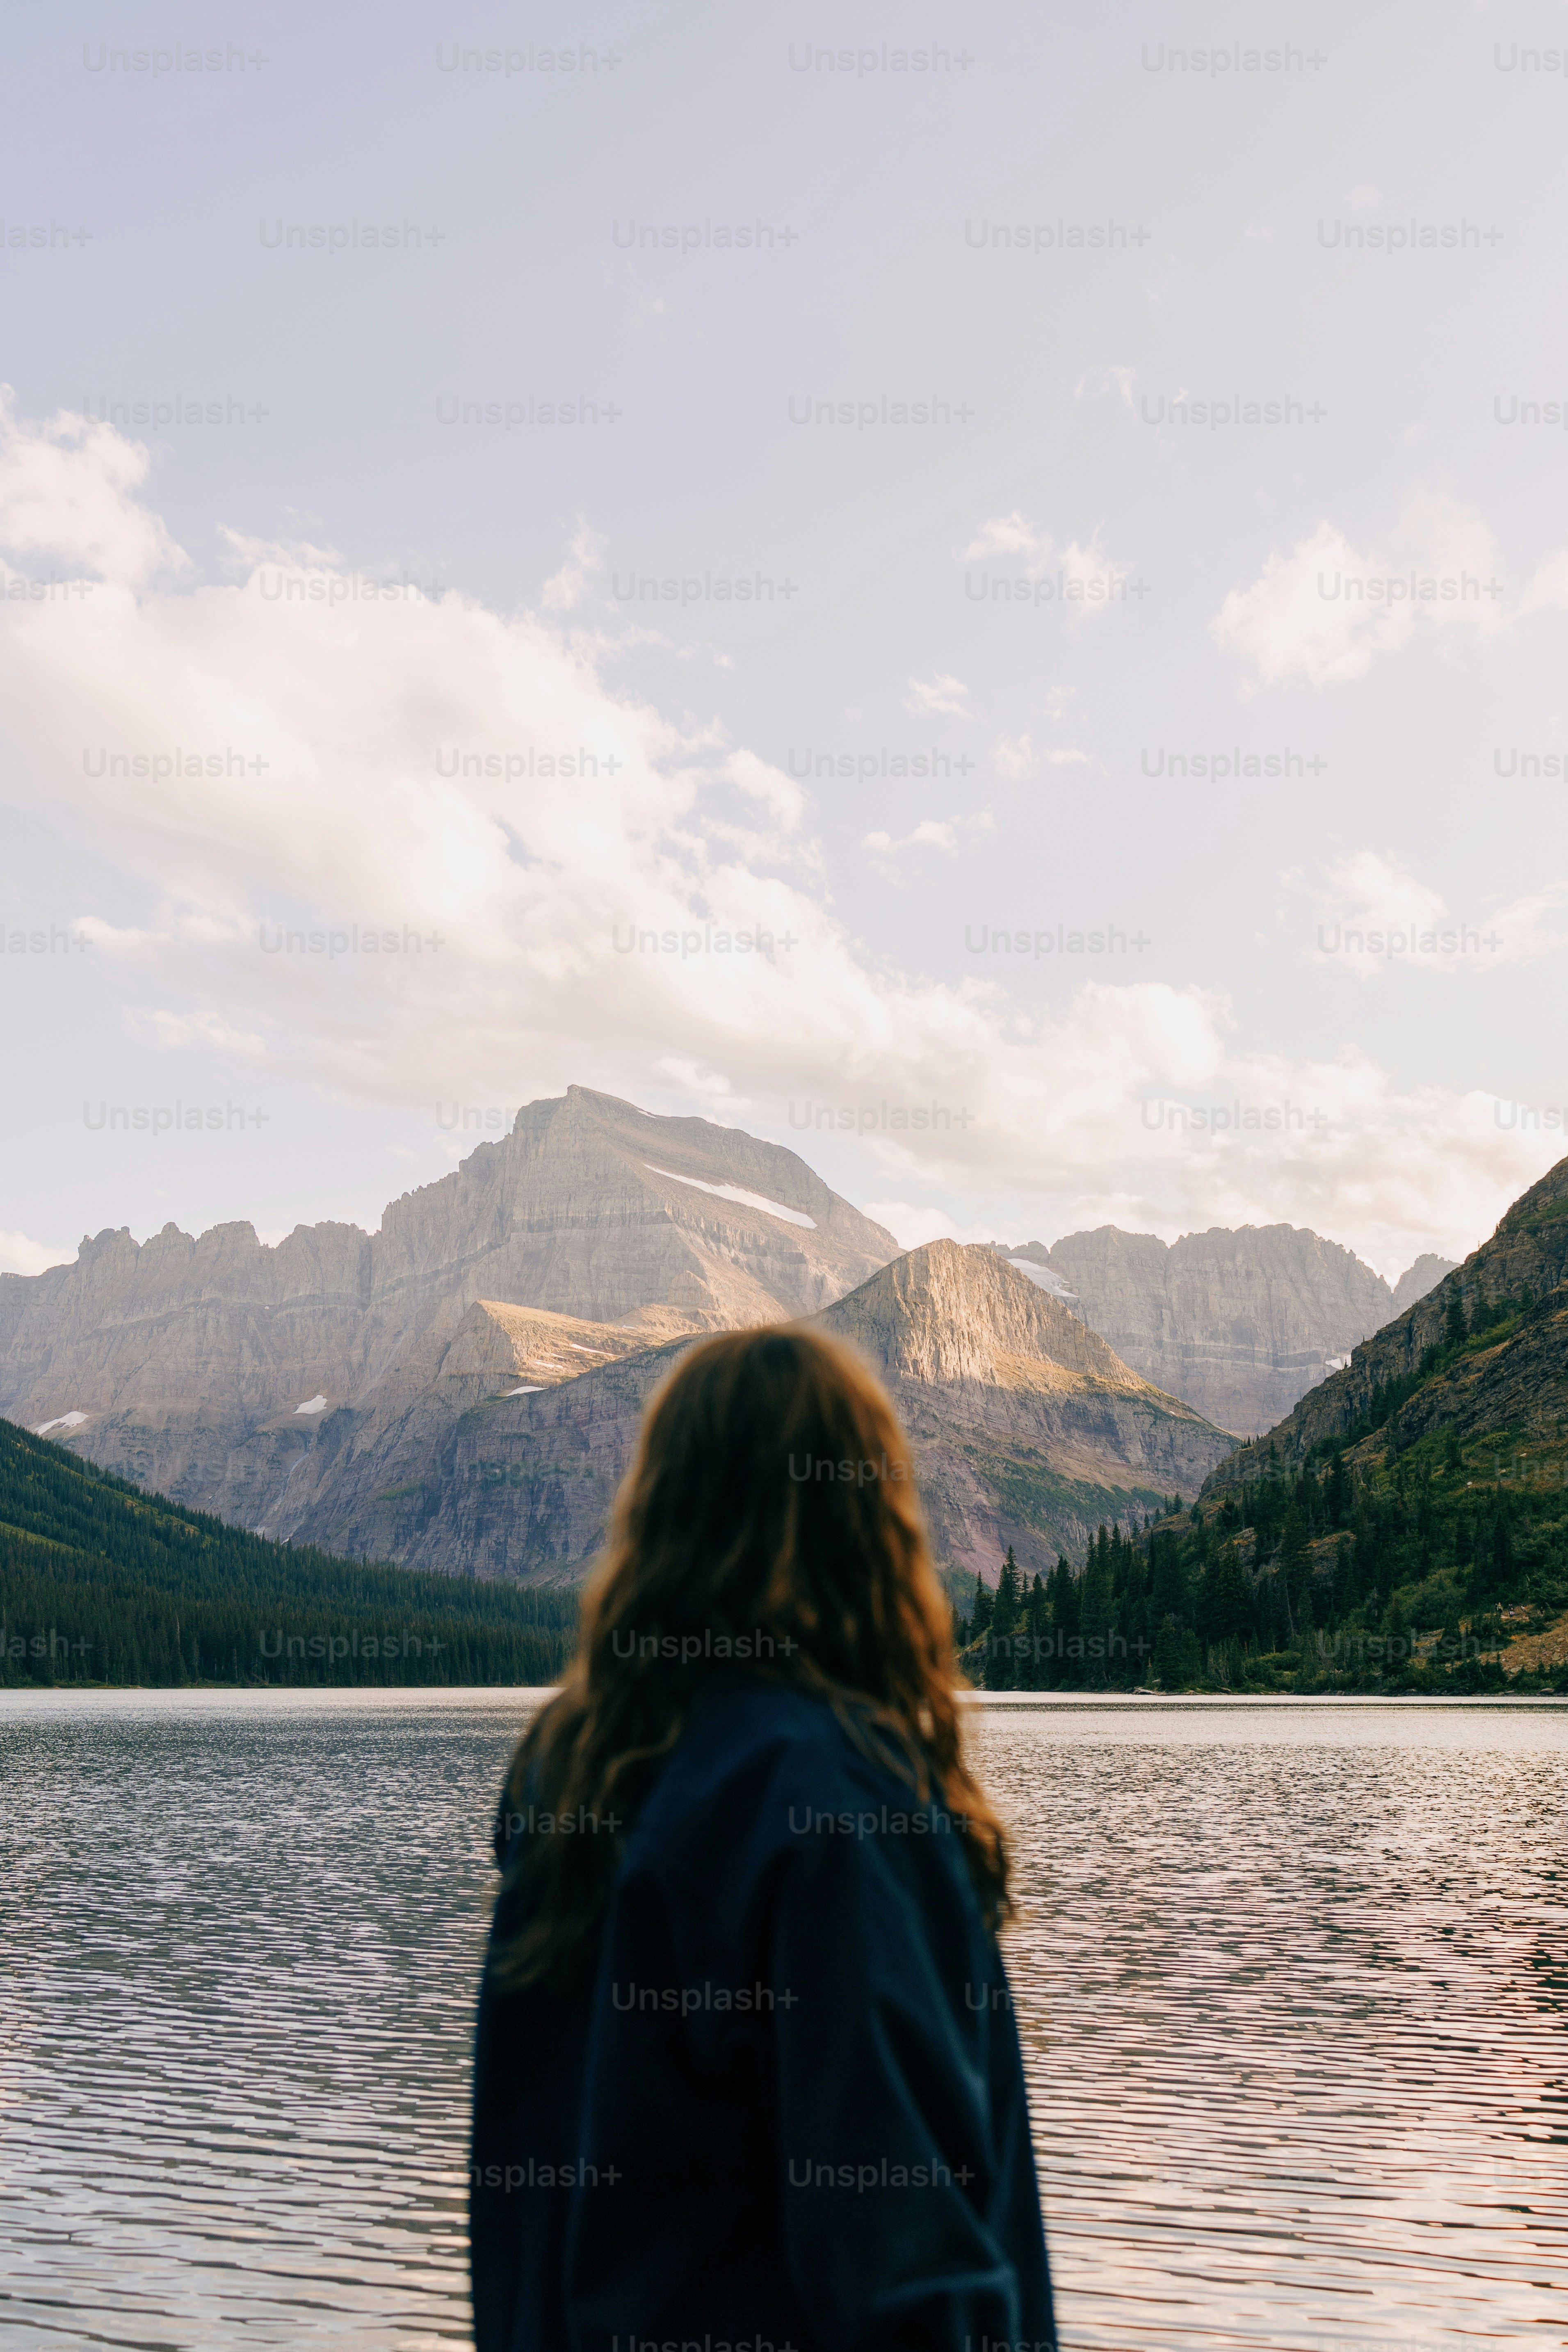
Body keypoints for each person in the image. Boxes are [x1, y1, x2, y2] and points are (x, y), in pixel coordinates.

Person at [470, 1325, 1056, 2352]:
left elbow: (520, 2206)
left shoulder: (570, 1775)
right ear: (864, 1516)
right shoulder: (833, 1800)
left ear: (660, 1510)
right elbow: (903, 2259)